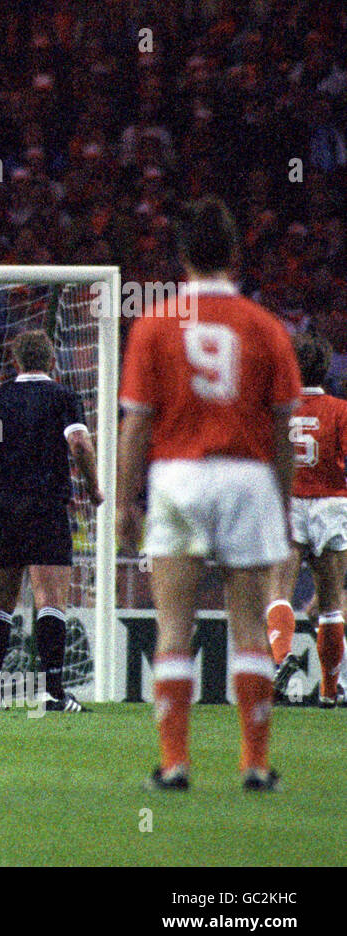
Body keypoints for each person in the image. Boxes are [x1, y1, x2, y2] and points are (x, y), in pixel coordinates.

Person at [117, 197, 300, 792]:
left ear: (183, 257)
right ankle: (255, 764)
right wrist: (281, 501)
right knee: (247, 622)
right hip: (248, 477)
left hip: (178, 478)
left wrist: (125, 501)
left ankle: (174, 765)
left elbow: (137, 424)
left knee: (174, 624)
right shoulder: (266, 326)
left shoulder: (154, 324)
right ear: (236, 252)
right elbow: (282, 430)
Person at [0, 330, 102, 712]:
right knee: (50, 600)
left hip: (4, 508)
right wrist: (94, 489)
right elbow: (80, 444)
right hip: (46, 506)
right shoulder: (62, 397)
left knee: (0, 601)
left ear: (16, 361)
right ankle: (52, 693)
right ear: (52, 361)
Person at [268, 333, 347, 707]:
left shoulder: (278, 410)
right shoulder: (340, 410)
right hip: (332, 505)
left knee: (279, 589)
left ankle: (281, 659)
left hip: (290, 502)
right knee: (331, 603)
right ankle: (331, 691)